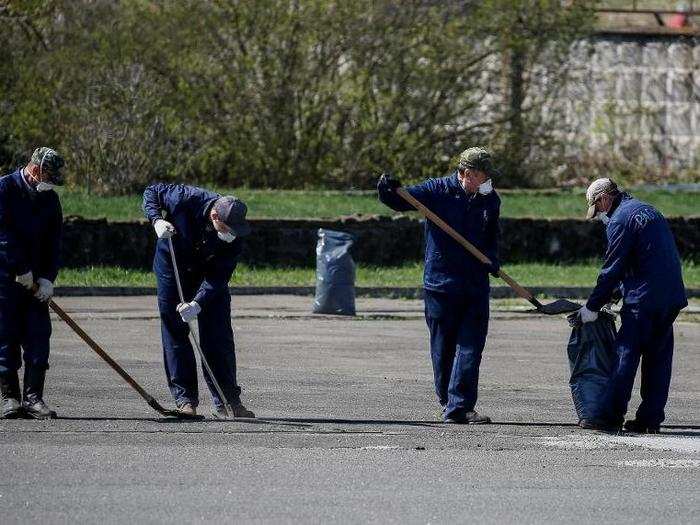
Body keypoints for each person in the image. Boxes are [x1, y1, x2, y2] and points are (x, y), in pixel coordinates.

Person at [377, 147, 501, 424]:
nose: (488, 181)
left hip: (475, 284)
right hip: (441, 284)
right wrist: (389, 189)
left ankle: (461, 405)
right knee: (443, 347)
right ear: (467, 174)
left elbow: (492, 236)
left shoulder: (490, 200)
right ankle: (448, 401)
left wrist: (492, 260)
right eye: (484, 175)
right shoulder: (438, 191)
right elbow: (401, 200)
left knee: (471, 345)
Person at [577, 178, 687, 433]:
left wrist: (592, 307)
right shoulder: (648, 209)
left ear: (604, 199)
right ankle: (650, 420)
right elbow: (641, 258)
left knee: (625, 355)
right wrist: (616, 294)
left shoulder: (620, 220)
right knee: (658, 359)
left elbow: (612, 268)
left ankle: (608, 416)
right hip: (670, 296)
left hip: (644, 299)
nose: (600, 215)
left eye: (598, 209)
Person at [142, 183, 255, 419]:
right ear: (214, 215)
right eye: (227, 227)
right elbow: (152, 191)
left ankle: (228, 401)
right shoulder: (185, 197)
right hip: (173, 268)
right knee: (175, 330)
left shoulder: (235, 236)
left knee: (218, 336)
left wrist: (198, 303)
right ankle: (185, 401)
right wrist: (156, 220)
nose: (231, 233)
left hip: (209, 274)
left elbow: (220, 276)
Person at [0, 147, 64, 419]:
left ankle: (33, 398)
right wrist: (19, 268)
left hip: (37, 281)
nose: (51, 183)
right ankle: (10, 398)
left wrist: (48, 278)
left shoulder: (49, 198)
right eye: (49, 176)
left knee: (39, 337)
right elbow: (2, 234)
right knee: (6, 337)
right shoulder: (5, 188)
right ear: (36, 170)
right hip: (5, 279)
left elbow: (55, 242)